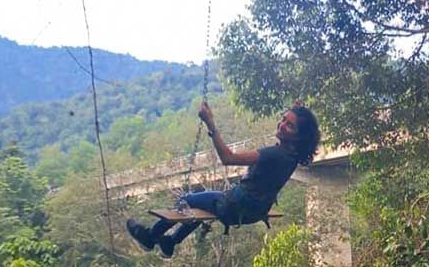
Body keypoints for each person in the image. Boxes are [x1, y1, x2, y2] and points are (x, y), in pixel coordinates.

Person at [126, 100, 320, 258]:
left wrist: (211, 126)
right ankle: (171, 241)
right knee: (200, 206)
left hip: (232, 207)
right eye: (283, 120)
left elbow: (228, 158)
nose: (282, 125)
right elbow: (297, 134)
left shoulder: (273, 154)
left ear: (298, 136)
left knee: (186, 202)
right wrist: (298, 111)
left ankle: (150, 237)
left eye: (290, 125)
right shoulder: (293, 156)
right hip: (252, 213)